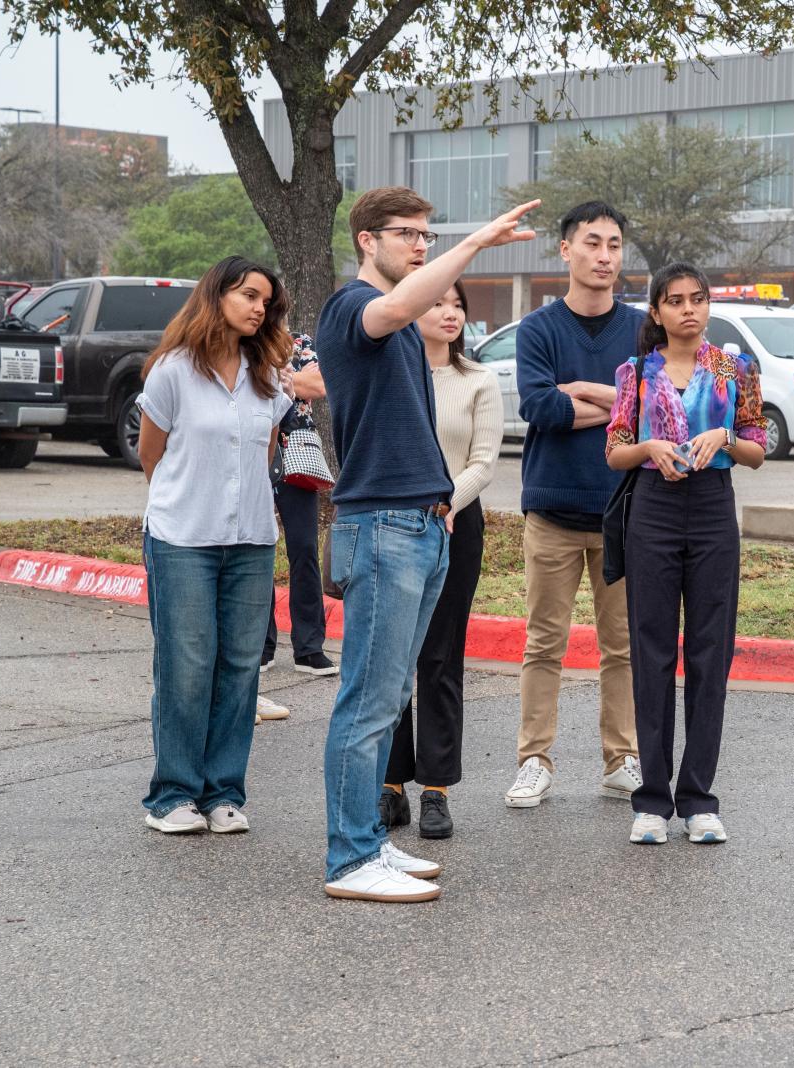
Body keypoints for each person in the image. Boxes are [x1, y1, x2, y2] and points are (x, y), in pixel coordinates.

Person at [316, 186, 537, 903]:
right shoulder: (354, 309)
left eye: (427, 234)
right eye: (406, 233)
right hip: (380, 527)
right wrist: (474, 245)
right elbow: (397, 306)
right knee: (368, 702)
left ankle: (371, 842)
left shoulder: (408, 327)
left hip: (419, 522)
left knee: (385, 699)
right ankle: (350, 859)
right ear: (365, 241)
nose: (421, 243)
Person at [605, 263, 767, 846]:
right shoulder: (636, 375)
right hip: (652, 504)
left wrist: (725, 437)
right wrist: (649, 444)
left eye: (698, 299)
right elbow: (615, 451)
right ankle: (651, 800)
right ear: (657, 312)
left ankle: (698, 797)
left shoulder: (733, 369)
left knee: (709, 651)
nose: (688, 310)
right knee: (649, 650)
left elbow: (757, 447)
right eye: (674, 301)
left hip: (712, 506)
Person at [136, 256, 296, 836]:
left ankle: (223, 792)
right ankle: (172, 795)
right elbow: (150, 454)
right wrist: (186, 497)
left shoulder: (269, 376)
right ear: (216, 295)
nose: (259, 308)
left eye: (266, 301)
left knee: (239, 668)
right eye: (249, 295)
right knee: (186, 666)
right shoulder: (173, 371)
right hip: (182, 538)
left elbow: (267, 452)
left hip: (251, 538)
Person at [507, 201, 646, 809]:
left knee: (624, 646)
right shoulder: (538, 329)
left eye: (614, 244)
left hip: (626, 511)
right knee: (544, 643)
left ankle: (623, 758)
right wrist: (620, 404)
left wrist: (586, 393)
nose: (605, 256)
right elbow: (538, 408)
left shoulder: (643, 329)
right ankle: (534, 759)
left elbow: (654, 409)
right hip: (553, 511)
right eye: (593, 243)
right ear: (566, 250)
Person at [380, 281, 503, 840]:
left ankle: (435, 789)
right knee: (392, 654)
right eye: (438, 303)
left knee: (439, 657)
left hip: (457, 520)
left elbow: (483, 461)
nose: (450, 312)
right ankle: (390, 783)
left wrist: (445, 501)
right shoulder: (393, 373)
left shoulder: (479, 378)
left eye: (458, 305)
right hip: (395, 522)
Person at [260, 332, 336, 679]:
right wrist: (290, 380)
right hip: (254, 448)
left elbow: (317, 385)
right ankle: (260, 645)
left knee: (304, 548)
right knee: (256, 547)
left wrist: (271, 377)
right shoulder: (242, 341)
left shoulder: (299, 342)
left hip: (297, 453)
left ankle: (309, 648)